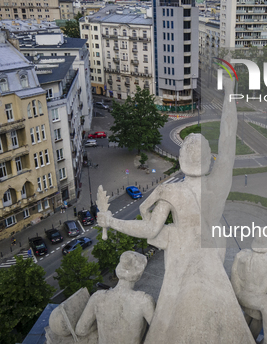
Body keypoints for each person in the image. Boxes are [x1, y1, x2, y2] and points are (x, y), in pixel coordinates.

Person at [96, 73, 254, 343]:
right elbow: (229, 138)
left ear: (182, 160)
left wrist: (111, 221)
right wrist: (229, 94)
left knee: (173, 316)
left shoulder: (171, 190)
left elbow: (149, 228)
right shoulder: (217, 182)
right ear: (208, 159)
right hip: (212, 254)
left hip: (181, 259)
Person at [75, 251, 155, 344]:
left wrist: (102, 326)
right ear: (139, 274)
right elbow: (159, 334)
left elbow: (81, 330)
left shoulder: (97, 297)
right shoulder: (144, 301)